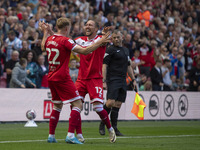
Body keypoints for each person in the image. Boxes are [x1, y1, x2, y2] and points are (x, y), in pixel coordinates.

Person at [40, 17, 112, 144]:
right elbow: (84, 51)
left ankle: (51, 136)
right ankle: (70, 135)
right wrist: (100, 41)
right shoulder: (67, 40)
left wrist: (46, 32)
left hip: (51, 76)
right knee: (78, 104)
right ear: (67, 28)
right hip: (62, 77)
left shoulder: (51, 39)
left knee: (57, 105)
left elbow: (42, 47)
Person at [74, 20, 116, 143]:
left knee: (98, 108)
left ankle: (110, 129)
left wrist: (104, 35)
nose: (87, 26)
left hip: (95, 79)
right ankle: (79, 135)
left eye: (90, 25)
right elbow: (67, 43)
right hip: (81, 79)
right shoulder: (79, 40)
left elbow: (107, 39)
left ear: (96, 29)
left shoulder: (101, 40)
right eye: (86, 24)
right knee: (75, 107)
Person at [99, 30, 136, 136]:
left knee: (118, 104)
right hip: (113, 79)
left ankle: (114, 128)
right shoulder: (110, 50)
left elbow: (129, 66)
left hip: (123, 80)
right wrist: (104, 80)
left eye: (117, 37)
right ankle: (102, 123)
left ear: (122, 37)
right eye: (114, 38)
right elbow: (104, 65)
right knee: (110, 102)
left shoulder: (125, 50)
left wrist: (133, 80)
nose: (116, 39)